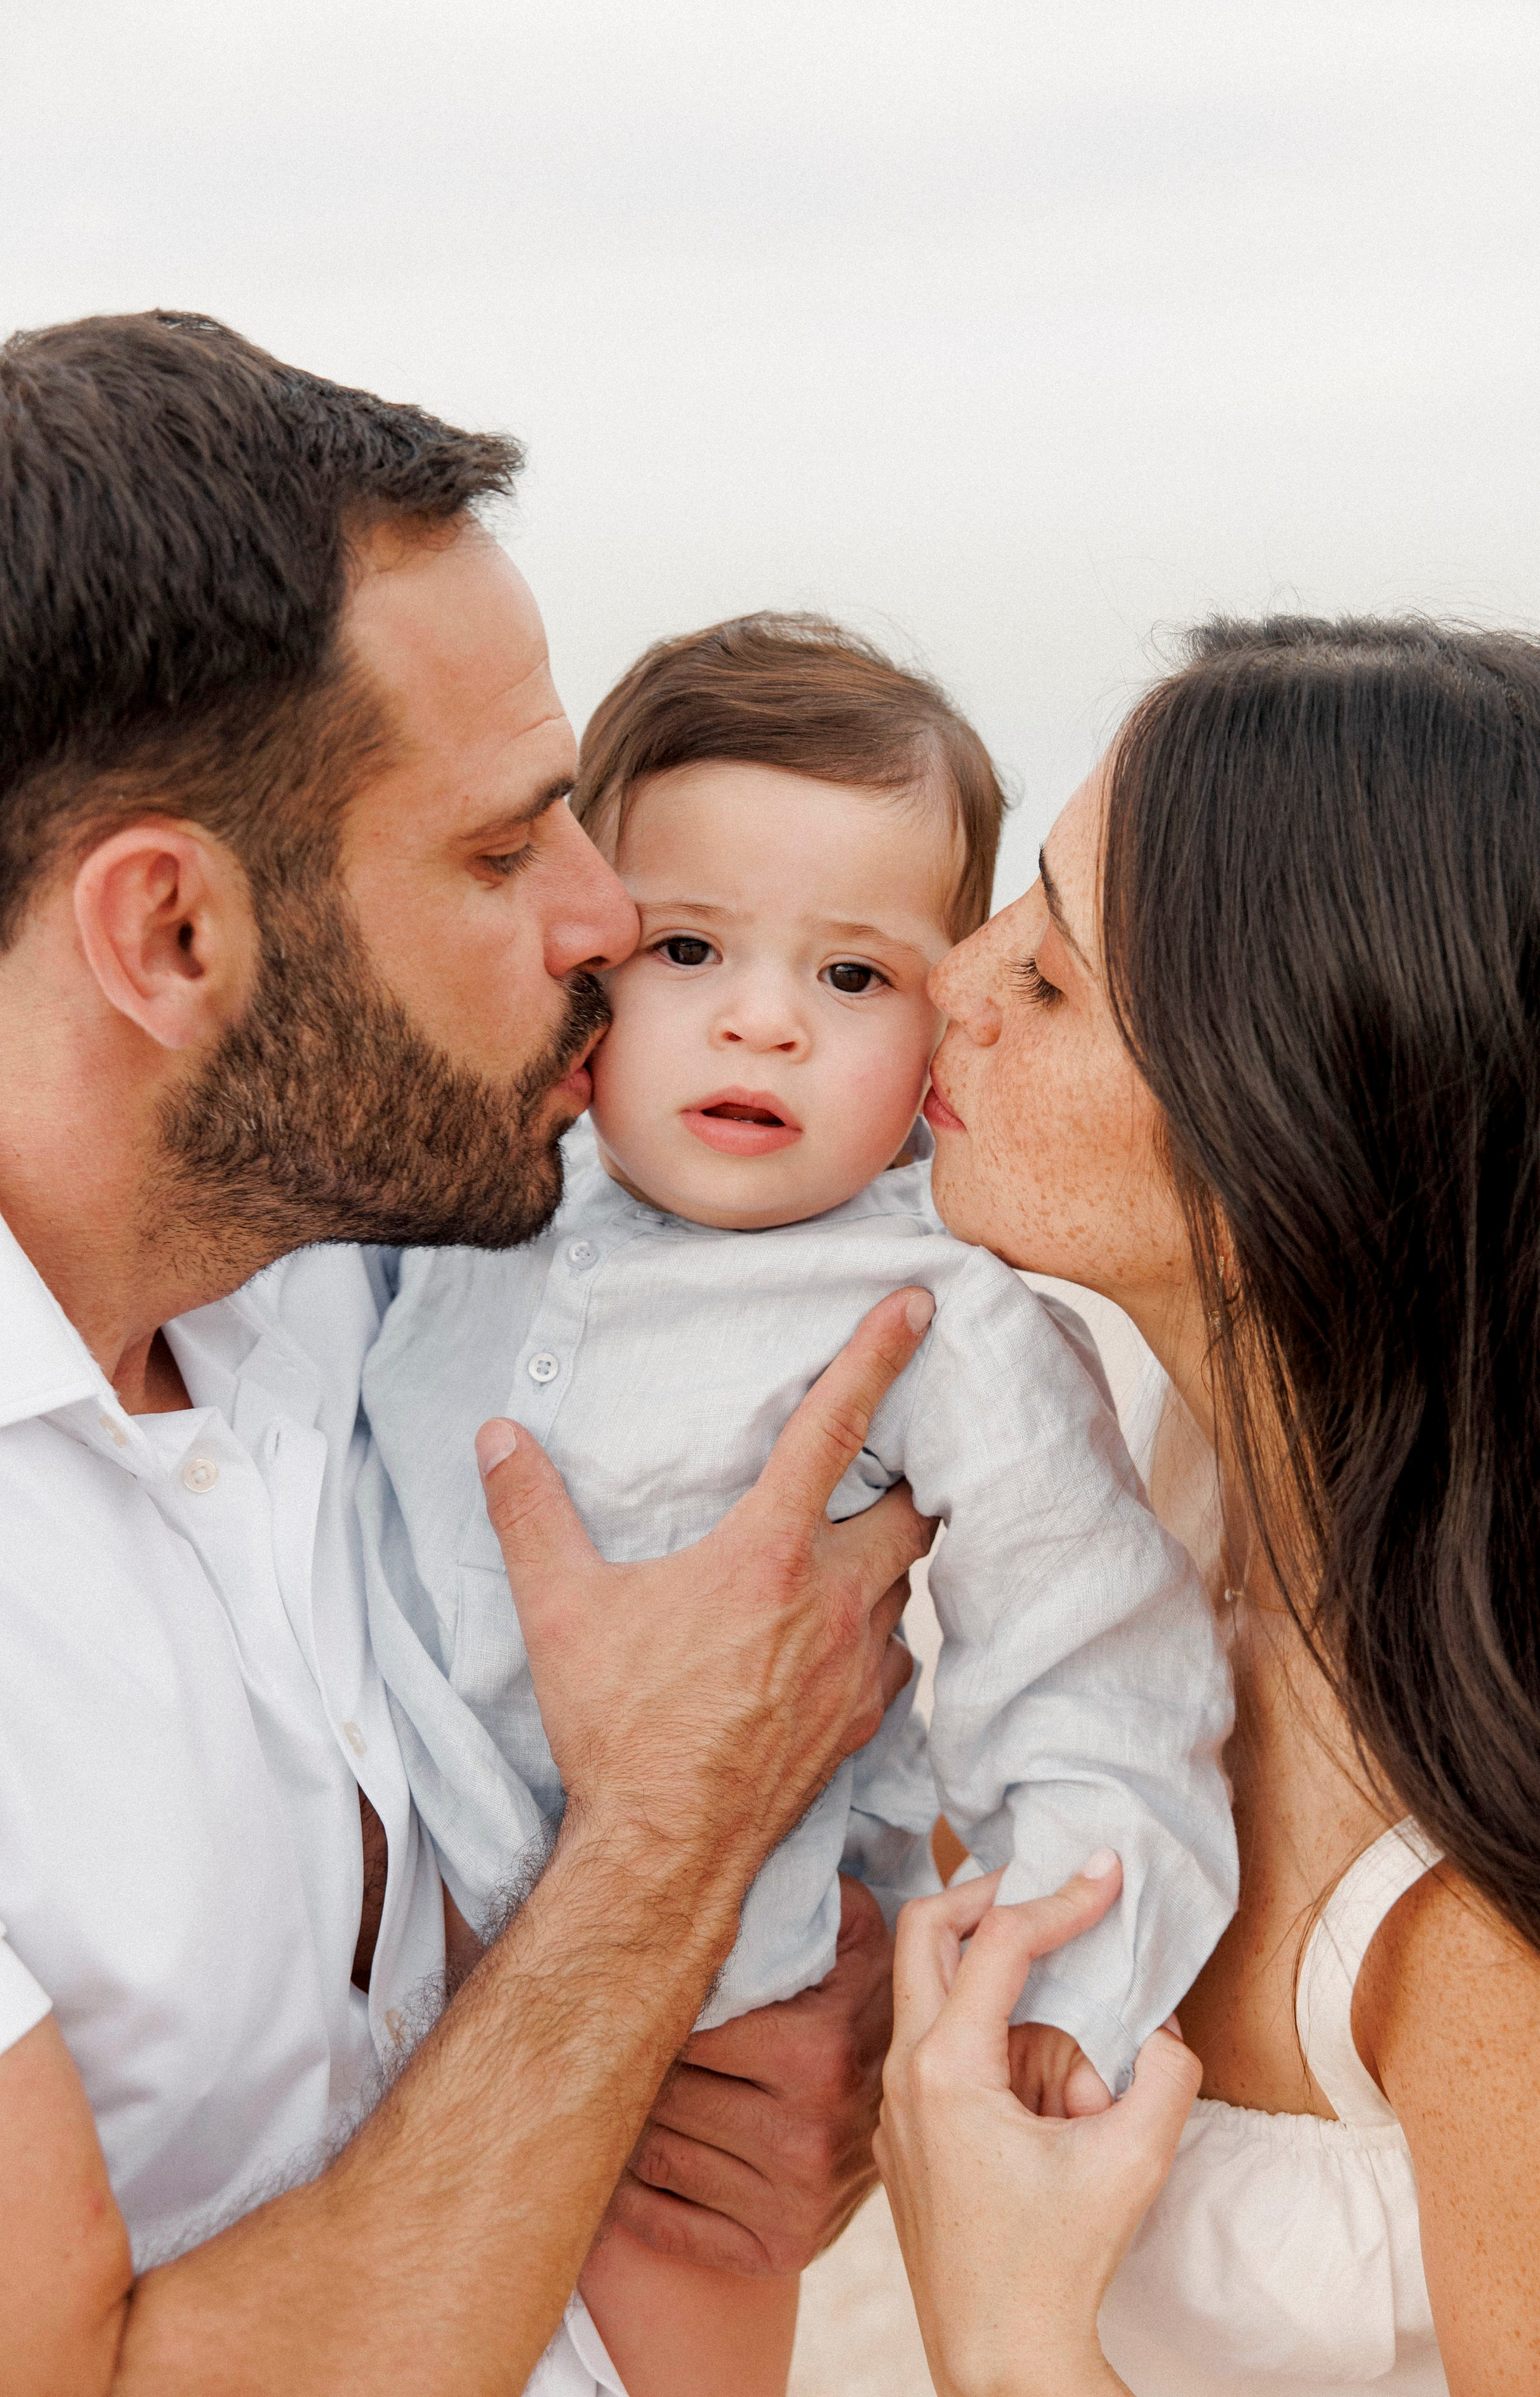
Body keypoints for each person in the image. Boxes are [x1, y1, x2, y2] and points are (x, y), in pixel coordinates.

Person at [0, 311, 937, 2397]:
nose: (613, 917)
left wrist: (813, 2023)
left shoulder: (363, 1269)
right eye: (509, 850)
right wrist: (671, 1857)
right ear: (169, 937)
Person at [358, 613, 1237, 2395]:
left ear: (941, 1027)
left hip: (709, 2047)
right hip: (368, 1993)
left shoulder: (939, 1306)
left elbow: (1089, 1662)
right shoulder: (446, 1204)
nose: (763, 1013)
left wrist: (1054, 1994)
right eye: (691, 945)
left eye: (852, 976)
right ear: (589, 953)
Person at [874, 616, 1540, 2395]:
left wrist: (1009, 2335)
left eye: (1048, 977)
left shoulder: (1502, 1918)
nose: (948, 978)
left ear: (1298, 1129)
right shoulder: (1158, 1557)